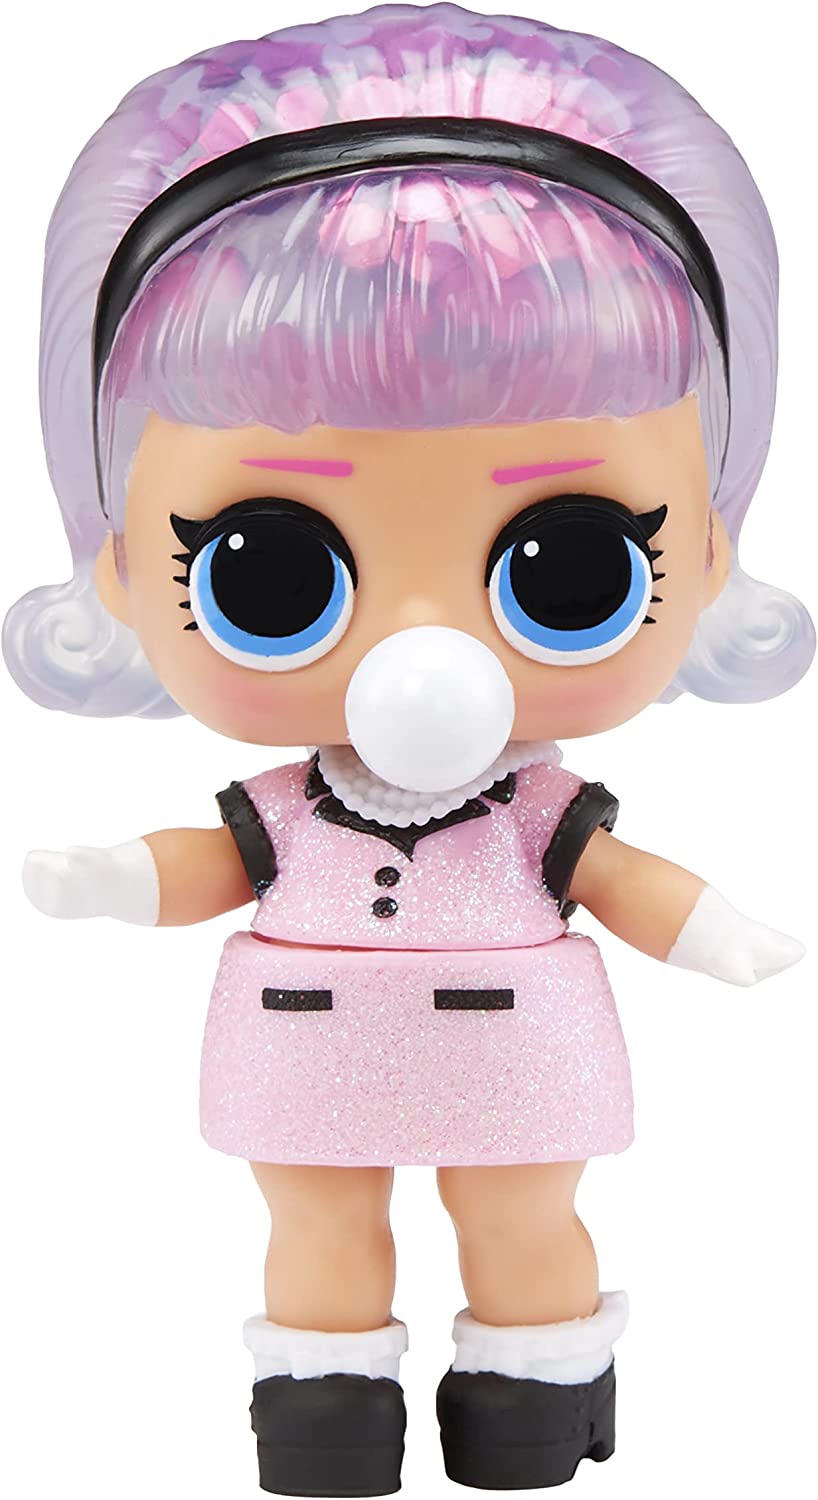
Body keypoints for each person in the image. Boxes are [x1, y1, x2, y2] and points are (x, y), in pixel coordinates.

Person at [6, 6, 812, 1494]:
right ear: (116, 559)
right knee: (316, 1220)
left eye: (575, 563)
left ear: (707, 549)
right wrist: (111, 878)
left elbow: (620, 878)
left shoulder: (538, 815)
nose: (419, 659)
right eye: (265, 571)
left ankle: (531, 1386)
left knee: (520, 1214)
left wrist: (722, 934)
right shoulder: (286, 807)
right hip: (305, 1041)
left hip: (516, 1047)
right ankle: (322, 1409)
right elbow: (210, 862)